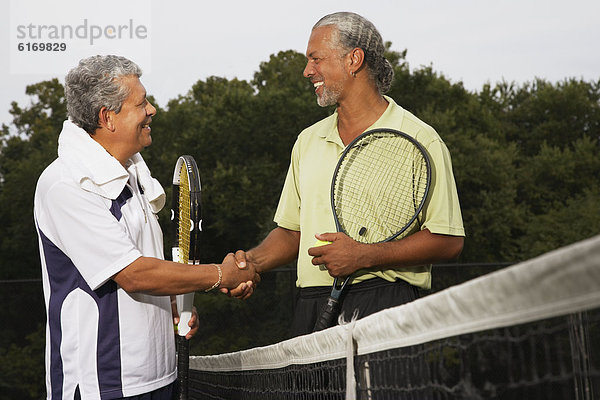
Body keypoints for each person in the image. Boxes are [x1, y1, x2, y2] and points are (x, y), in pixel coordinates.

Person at [33, 55, 258, 400]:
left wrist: (173, 308)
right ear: (108, 117)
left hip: (158, 377)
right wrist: (220, 275)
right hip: (103, 387)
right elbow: (134, 274)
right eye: (141, 103)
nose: (152, 110)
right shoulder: (65, 184)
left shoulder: (133, 175)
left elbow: (143, 271)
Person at [232, 12, 465, 337]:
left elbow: (448, 239)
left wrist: (365, 255)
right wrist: (252, 264)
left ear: (354, 59)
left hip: (389, 306)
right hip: (310, 306)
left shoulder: (422, 140)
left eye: (316, 59)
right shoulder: (307, 141)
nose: (307, 71)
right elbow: (292, 233)